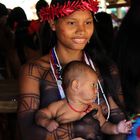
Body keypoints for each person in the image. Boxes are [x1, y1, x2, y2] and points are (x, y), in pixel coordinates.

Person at [17, 0, 127, 140]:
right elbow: (27, 132)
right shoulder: (34, 71)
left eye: (88, 22)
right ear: (52, 23)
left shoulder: (105, 68)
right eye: (71, 23)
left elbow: (120, 121)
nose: (82, 30)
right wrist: (77, 129)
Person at [35, 61, 131, 136]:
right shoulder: (59, 106)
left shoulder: (95, 108)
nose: (96, 90)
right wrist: (46, 122)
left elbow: (104, 125)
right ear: (75, 85)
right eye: (93, 85)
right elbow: (40, 114)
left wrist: (117, 129)